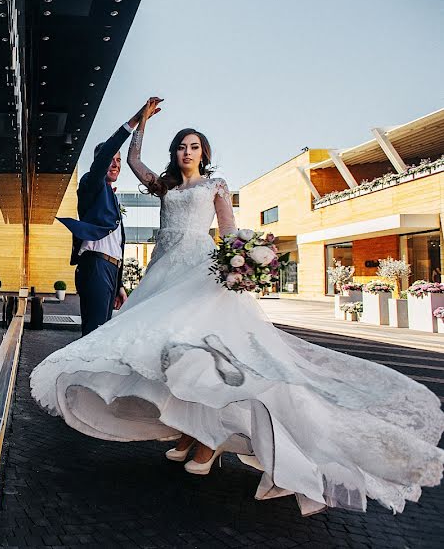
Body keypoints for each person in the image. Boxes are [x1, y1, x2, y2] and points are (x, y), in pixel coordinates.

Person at [31, 97, 444, 516]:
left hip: (200, 274)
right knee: (169, 354)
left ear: (204, 153)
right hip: (163, 272)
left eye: (193, 146)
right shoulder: (166, 187)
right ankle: (192, 432)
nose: (186, 152)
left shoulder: (216, 187)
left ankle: (210, 441)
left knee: (209, 355)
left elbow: (229, 233)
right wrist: (141, 121)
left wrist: (241, 264)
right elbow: (135, 157)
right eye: (180, 147)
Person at [56, 111, 140, 335]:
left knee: (102, 333)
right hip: (95, 267)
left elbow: (117, 246)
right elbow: (102, 162)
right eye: (111, 159)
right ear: (100, 162)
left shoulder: (112, 197)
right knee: (94, 333)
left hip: (111, 269)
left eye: (119, 161)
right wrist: (133, 122)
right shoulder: (90, 184)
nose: (115, 164)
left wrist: (119, 284)